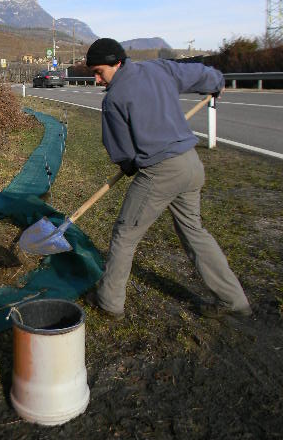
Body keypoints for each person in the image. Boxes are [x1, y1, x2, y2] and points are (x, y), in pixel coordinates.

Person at [84, 38, 251, 320]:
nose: (98, 79)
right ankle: (233, 299)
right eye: (94, 73)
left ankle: (109, 302)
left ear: (118, 62)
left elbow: (122, 152)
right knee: (194, 232)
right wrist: (216, 82)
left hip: (161, 172)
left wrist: (129, 166)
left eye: (100, 71)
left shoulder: (113, 100)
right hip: (191, 164)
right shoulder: (158, 69)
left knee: (125, 234)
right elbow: (199, 73)